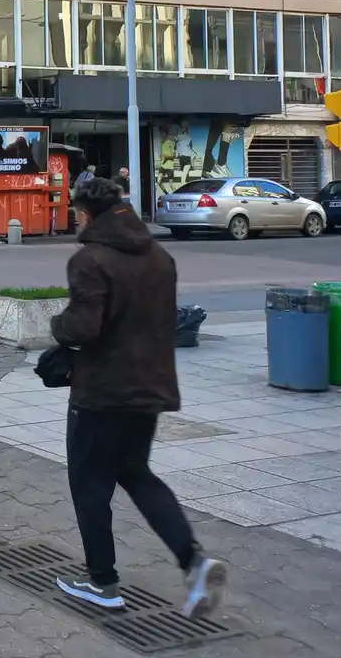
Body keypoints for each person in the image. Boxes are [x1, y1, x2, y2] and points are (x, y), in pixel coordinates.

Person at [49, 177, 226, 618]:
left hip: (102, 392)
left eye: (76, 211)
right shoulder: (159, 257)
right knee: (136, 473)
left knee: (90, 485)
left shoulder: (90, 259)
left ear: (87, 213)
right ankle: (194, 562)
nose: (74, 218)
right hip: (150, 387)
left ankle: (103, 583)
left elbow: (84, 326)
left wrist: (57, 328)